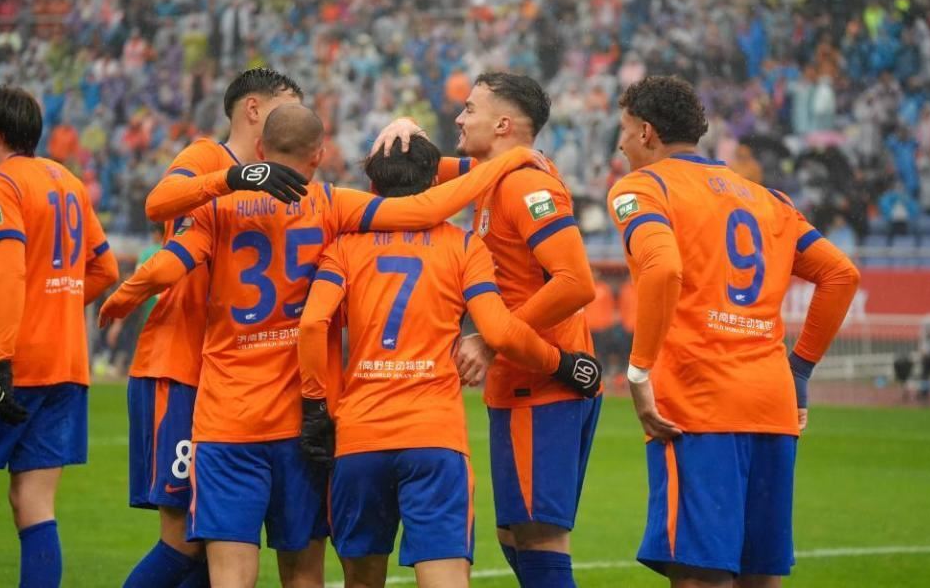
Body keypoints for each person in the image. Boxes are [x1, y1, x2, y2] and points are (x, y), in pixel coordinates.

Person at [98, 104, 550, 588]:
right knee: (304, 573)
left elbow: (169, 264)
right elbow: (423, 212)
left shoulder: (224, 211)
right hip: (313, 424)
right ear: (318, 154)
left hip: (231, 419)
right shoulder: (333, 208)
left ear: (260, 149)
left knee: (231, 575)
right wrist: (505, 161)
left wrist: (123, 297)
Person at [296, 136, 601, 588]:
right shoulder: (463, 246)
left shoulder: (343, 248)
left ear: (373, 185)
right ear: (433, 181)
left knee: (360, 580)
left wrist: (316, 405)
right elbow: (500, 332)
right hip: (434, 436)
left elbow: (312, 324)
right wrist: (561, 363)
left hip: (360, 435)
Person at [606, 75, 860, 588]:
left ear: (647, 132)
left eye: (624, 131)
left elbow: (662, 268)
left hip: (698, 404)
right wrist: (799, 371)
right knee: (759, 576)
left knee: (700, 575)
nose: (620, 144)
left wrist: (638, 371)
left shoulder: (644, 187)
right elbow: (842, 275)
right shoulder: (770, 201)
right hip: (771, 404)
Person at [374, 72, 600, 588]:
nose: (459, 118)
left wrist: (495, 339)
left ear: (502, 125)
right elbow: (414, 167)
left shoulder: (527, 184)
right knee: (514, 534)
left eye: (470, 109)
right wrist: (403, 125)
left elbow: (576, 282)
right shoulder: (490, 173)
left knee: (539, 537)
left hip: (545, 381)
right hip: (520, 380)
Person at [122, 67, 309, 588]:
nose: (295, 120)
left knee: (216, 536)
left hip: (222, 380)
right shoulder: (210, 156)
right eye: (288, 107)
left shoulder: (279, 181)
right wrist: (233, 178)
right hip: (178, 366)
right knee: (185, 539)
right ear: (253, 109)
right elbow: (158, 202)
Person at [0, 86, 119, 587]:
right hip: (66, 365)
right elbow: (105, 269)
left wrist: (1, 359)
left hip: (10, 363)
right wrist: (55, 305)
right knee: (33, 502)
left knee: (31, 500)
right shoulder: (68, 182)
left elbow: (10, 269)